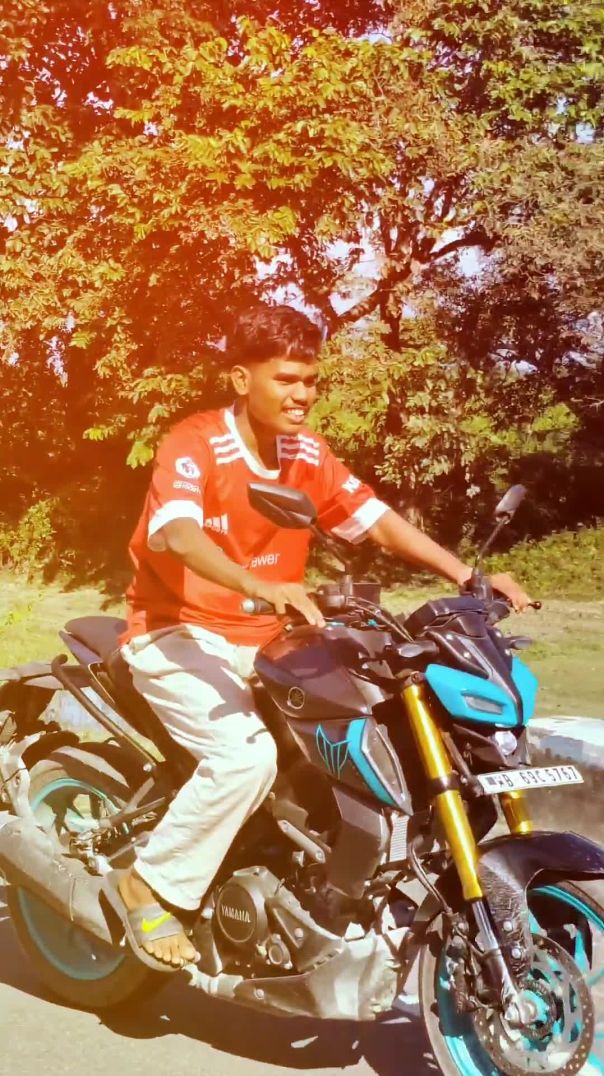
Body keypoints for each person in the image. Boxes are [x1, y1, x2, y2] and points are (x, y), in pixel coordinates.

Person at [104, 303, 530, 970]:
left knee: (361, 731)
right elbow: (177, 535)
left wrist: (467, 575)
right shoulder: (195, 442)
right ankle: (149, 885)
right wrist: (256, 583)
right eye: (285, 379)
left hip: (270, 638)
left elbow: (375, 519)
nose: (301, 394)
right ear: (241, 379)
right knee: (244, 761)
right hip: (176, 633)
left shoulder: (307, 453)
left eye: (310, 380)